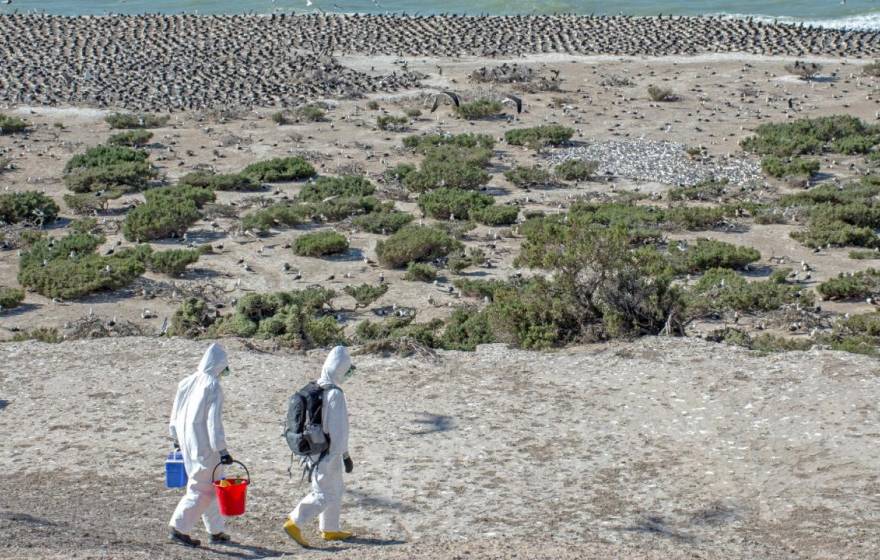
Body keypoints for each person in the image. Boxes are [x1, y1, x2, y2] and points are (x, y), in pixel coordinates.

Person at [284, 345, 356, 547]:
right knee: (325, 493)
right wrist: (344, 455)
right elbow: (339, 431)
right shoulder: (335, 394)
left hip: (313, 448)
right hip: (328, 453)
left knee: (335, 488)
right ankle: (294, 522)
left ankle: (330, 528)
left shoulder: (316, 387)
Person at [168, 342, 235, 548]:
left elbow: (174, 416)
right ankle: (179, 527)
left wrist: (176, 439)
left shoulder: (186, 382)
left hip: (187, 442)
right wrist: (222, 449)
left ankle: (216, 530)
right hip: (206, 445)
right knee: (202, 488)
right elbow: (213, 423)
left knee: (211, 484)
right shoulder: (212, 386)